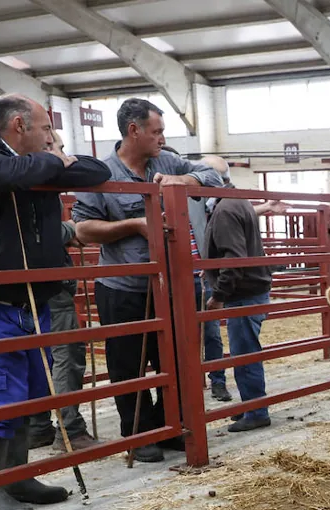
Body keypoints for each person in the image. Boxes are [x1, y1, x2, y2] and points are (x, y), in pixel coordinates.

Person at [0, 94, 111, 510]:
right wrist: (59, 160)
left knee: (27, 388)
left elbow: (97, 171)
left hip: (28, 296)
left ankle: (16, 476)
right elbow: (1, 173)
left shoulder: (36, 162)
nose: (52, 138)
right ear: (19, 125)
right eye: (45, 129)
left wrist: (54, 160)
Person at [71, 98, 222, 463]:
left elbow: (214, 175)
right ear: (133, 130)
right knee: (128, 364)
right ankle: (138, 434)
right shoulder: (99, 174)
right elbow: (83, 229)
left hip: (169, 284)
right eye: (156, 131)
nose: (162, 137)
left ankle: (170, 427)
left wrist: (182, 179)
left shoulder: (167, 161)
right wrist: (135, 225)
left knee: (171, 359)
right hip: (124, 286)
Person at [28, 128, 98, 451]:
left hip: (34, 282)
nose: (64, 154)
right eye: (55, 146)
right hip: (49, 280)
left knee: (38, 352)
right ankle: (69, 428)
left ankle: (39, 424)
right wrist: (70, 230)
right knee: (65, 352)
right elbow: (33, 231)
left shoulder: (28, 177)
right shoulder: (28, 180)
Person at [201, 155, 276, 433]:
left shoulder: (224, 210)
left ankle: (256, 410)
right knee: (245, 348)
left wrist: (219, 294)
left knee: (245, 351)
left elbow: (234, 258)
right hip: (252, 288)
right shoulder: (238, 201)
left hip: (243, 292)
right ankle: (250, 406)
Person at [162, 145, 229, 404]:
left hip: (201, 273)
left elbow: (220, 212)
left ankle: (218, 381)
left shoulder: (196, 196)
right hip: (172, 278)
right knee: (177, 334)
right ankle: (182, 385)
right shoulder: (150, 198)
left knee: (211, 332)